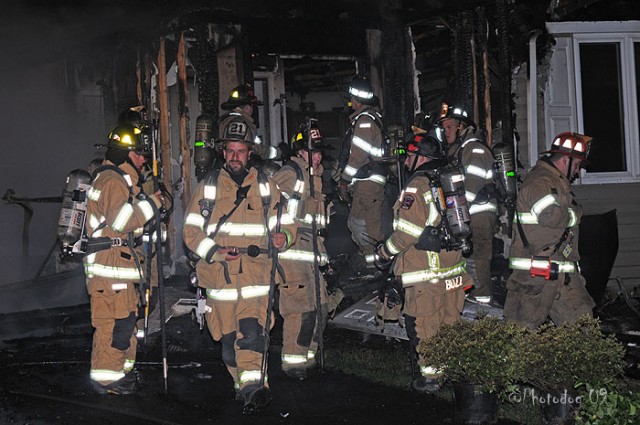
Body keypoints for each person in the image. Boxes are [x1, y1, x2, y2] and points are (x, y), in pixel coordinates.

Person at [183, 114, 296, 413]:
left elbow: (287, 222)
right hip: (220, 280)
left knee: (253, 334)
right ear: (223, 152)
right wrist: (217, 252)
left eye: (241, 151)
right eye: (230, 150)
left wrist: (284, 236)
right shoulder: (207, 188)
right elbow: (190, 232)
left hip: (256, 278)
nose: (235, 156)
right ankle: (242, 384)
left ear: (250, 153)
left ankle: (254, 388)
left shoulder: (265, 186)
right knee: (229, 344)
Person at [375, 128, 473, 393]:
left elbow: (407, 233)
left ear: (420, 157)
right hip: (452, 269)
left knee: (426, 324)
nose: (406, 161)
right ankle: (453, 370)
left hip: (427, 273)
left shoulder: (417, 185)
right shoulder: (445, 180)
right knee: (450, 321)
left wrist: (384, 252)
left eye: (409, 156)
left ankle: (430, 378)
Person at [83, 121, 162, 395]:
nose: (143, 161)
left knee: (125, 323)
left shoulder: (116, 181)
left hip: (118, 269)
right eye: (140, 154)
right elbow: (121, 221)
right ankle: (107, 379)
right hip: (109, 270)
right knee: (112, 326)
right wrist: (153, 204)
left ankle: (121, 372)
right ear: (126, 154)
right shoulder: (113, 181)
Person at [503, 132, 595, 329]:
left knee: (583, 325)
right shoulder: (540, 181)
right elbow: (549, 215)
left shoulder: (556, 183)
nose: (578, 171)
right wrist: (575, 214)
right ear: (565, 160)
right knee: (523, 334)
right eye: (577, 165)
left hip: (562, 273)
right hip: (534, 275)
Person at [272, 121, 330, 381]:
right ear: (301, 151)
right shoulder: (290, 173)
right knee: (300, 309)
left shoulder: (314, 176)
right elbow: (273, 208)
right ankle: (293, 365)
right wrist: (308, 206)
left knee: (321, 308)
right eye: (313, 151)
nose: (318, 156)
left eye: (319, 151)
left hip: (312, 250)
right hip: (292, 250)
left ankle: (308, 359)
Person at [438, 103, 497, 304]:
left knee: (477, 255)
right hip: (464, 213)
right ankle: (471, 293)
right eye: (443, 128)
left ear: (462, 127)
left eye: (449, 127)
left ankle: (482, 299)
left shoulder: (475, 150)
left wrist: (452, 212)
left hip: (478, 213)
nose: (445, 132)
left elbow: (472, 186)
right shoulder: (460, 151)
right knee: (466, 255)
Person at [339, 75, 389, 273]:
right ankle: (373, 267)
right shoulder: (367, 119)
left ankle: (380, 268)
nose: (350, 102)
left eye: (351, 98)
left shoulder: (365, 122)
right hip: (365, 183)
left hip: (369, 184)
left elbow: (358, 156)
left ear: (357, 99)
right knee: (358, 225)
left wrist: (344, 179)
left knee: (368, 228)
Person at [219, 83, 279, 162]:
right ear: (247, 107)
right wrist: (278, 152)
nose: (253, 109)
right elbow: (255, 149)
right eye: (252, 106)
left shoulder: (227, 119)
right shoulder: (238, 123)